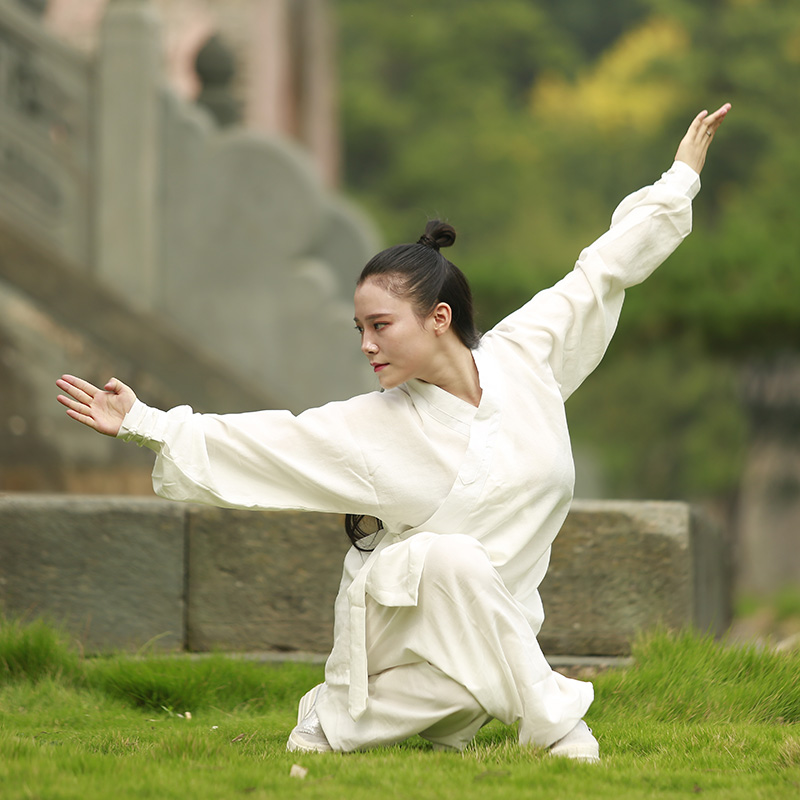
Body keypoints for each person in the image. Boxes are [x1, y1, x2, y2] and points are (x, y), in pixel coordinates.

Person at [56, 103, 731, 762]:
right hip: (397, 619)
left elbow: (601, 271)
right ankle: (559, 730)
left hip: (495, 632)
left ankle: (330, 718)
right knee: (453, 558)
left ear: (439, 319)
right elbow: (268, 442)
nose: (367, 345)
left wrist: (679, 182)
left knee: (467, 694)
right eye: (361, 329)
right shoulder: (373, 425)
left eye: (381, 326)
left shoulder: (527, 356)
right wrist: (143, 422)